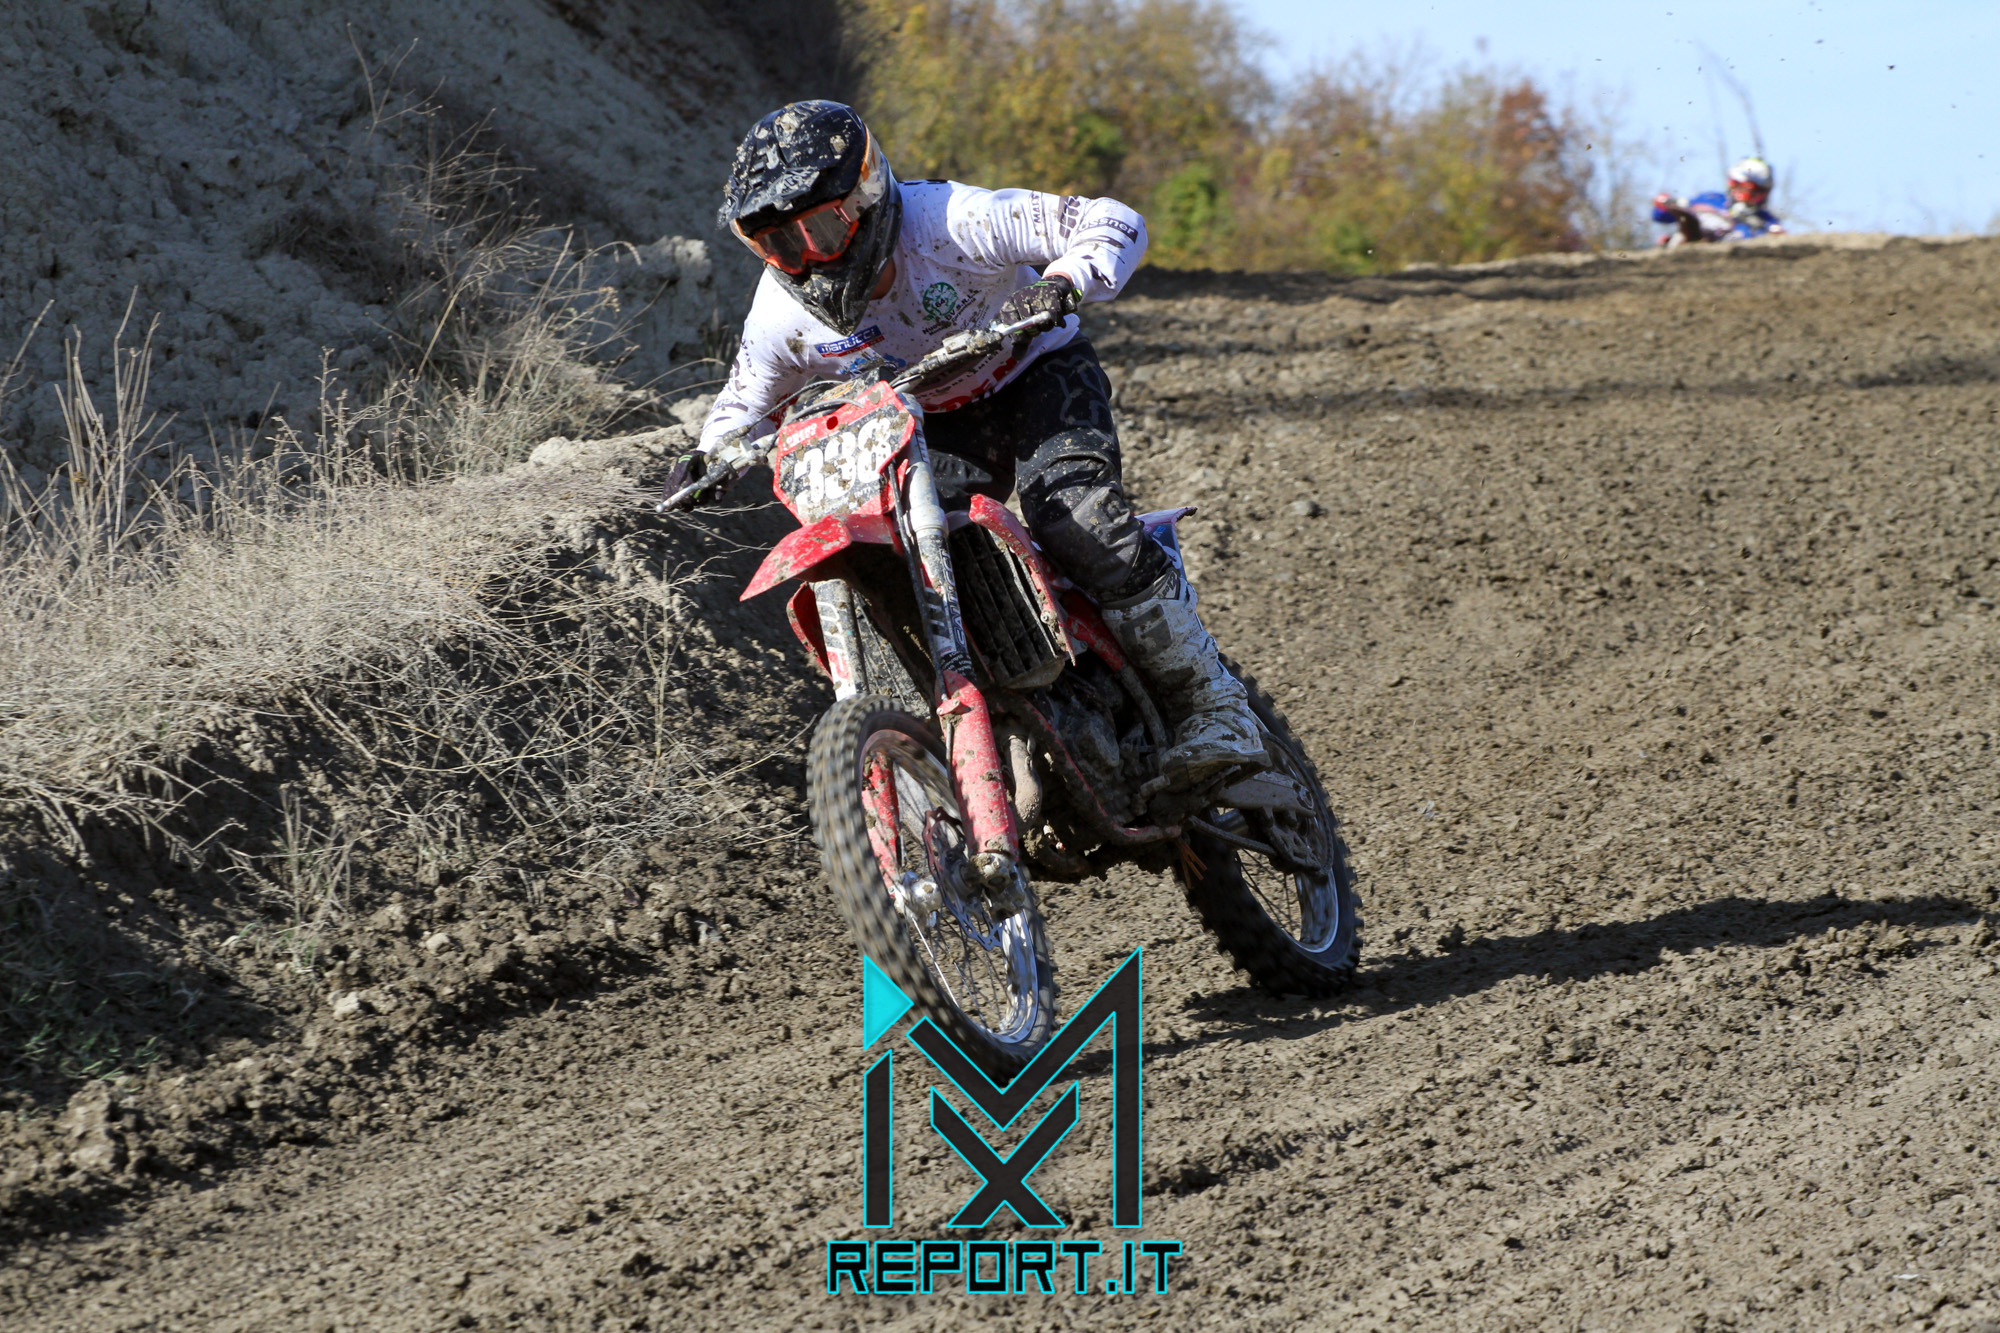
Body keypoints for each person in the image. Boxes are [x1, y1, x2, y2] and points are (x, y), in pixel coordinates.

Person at [666, 101, 1263, 788]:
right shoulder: (782, 311)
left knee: (1074, 516)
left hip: (1037, 371)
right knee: (903, 561)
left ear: (866, 194)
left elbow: (1114, 219)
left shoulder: (951, 220)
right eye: (777, 245)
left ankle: (1214, 705)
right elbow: (745, 402)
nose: (805, 260)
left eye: (820, 229)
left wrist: (1062, 282)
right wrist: (709, 456)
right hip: (936, 420)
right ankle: (1010, 717)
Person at [1652, 156, 1785, 246]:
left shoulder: (1764, 219)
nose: (1748, 196)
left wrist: (1764, 228)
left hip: (1732, 253)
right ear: (1732, 184)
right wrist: (1666, 205)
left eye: (1756, 192)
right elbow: (1659, 216)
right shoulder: (1710, 199)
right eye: (1744, 189)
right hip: (1693, 240)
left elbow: (1779, 238)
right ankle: (1682, 241)